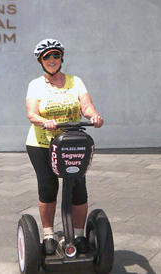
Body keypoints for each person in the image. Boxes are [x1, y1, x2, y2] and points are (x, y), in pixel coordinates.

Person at [25, 38, 104, 256]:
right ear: (41, 60)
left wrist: (93, 115)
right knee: (48, 187)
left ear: (61, 58)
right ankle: (49, 235)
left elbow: (86, 105)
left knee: (78, 187)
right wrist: (44, 121)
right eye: (47, 56)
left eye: (55, 55)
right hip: (42, 144)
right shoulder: (36, 85)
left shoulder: (75, 81)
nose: (52, 59)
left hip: (72, 142)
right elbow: (32, 113)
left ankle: (78, 235)